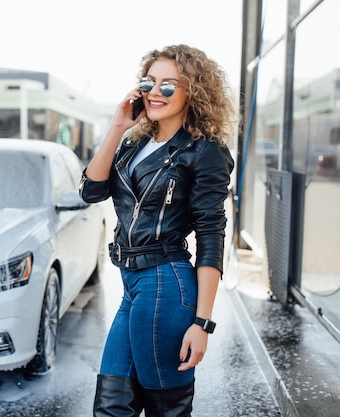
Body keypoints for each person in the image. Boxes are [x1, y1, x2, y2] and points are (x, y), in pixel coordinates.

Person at [80, 44, 237, 417]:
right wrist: (118, 127)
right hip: (132, 286)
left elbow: (212, 235)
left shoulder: (204, 151)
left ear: (193, 92)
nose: (154, 92)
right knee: (111, 406)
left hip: (166, 283)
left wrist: (202, 322)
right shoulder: (134, 144)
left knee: (164, 408)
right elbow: (90, 191)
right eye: (149, 82)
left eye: (169, 86)